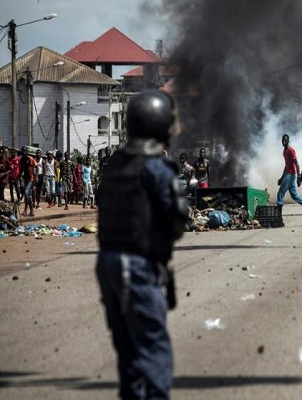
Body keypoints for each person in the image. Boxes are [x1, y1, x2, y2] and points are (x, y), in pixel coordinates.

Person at [96, 90, 188, 400]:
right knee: (153, 346)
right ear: (160, 126)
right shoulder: (155, 168)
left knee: (128, 350)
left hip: (107, 264)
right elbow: (177, 219)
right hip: (137, 265)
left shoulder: (115, 165)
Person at [277, 133, 302, 220]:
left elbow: (297, 164)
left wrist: (299, 176)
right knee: (294, 196)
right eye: (283, 140)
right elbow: (286, 165)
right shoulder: (284, 151)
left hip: (291, 175)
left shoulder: (291, 150)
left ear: (288, 141)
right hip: (288, 174)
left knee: (280, 194)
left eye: (286, 140)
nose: (284, 142)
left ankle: (279, 217)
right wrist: (281, 177)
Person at [19, 146, 37, 217]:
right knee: (27, 195)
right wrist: (19, 176)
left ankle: (25, 210)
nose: (23, 152)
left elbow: (36, 166)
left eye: (24, 151)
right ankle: (31, 210)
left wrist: (37, 176)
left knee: (26, 193)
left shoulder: (30, 158)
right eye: (22, 151)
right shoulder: (21, 160)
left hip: (31, 179)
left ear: (26, 151)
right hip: (25, 178)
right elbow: (21, 169)